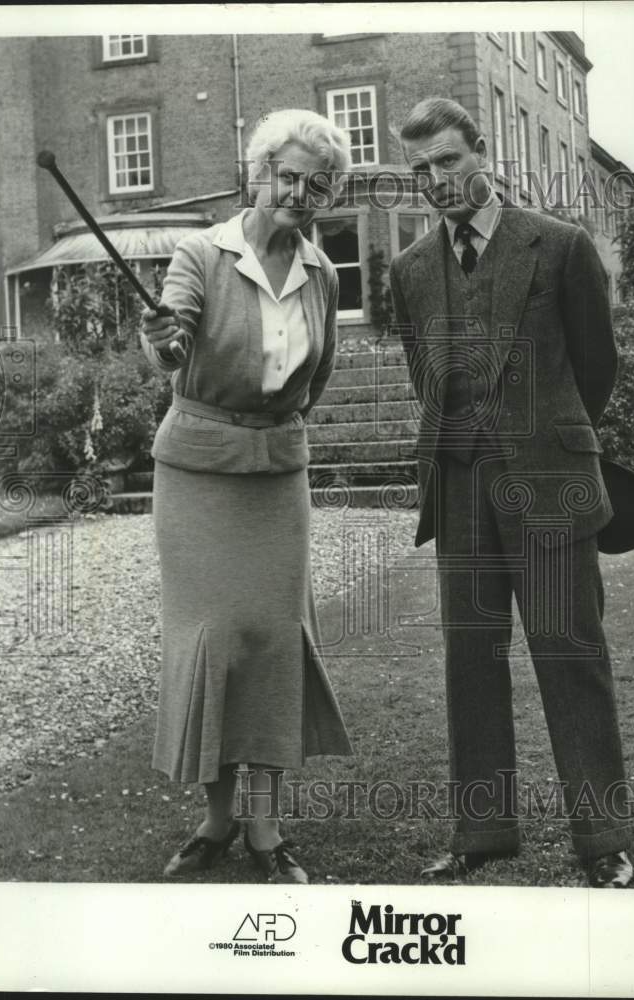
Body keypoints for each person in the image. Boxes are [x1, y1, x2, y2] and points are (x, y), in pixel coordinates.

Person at [388, 97, 634, 888]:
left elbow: (595, 366)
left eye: (449, 160)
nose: (435, 179)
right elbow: (424, 377)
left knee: (570, 656)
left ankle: (602, 843)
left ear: (482, 152)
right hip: (459, 488)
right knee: (470, 659)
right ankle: (481, 833)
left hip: (549, 483)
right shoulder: (410, 271)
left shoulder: (557, 245)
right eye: (421, 168)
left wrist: (547, 443)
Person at [140, 108, 353, 885]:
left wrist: (274, 427)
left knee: (270, 641)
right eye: (285, 175)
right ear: (258, 173)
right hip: (197, 473)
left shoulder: (323, 275)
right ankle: (214, 818)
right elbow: (172, 335)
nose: (297, 192)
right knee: (213, 639)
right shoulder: (201, 252)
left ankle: (264, 829)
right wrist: (161, 339)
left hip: (276, 475)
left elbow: (315, 379)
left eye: (315, 183)